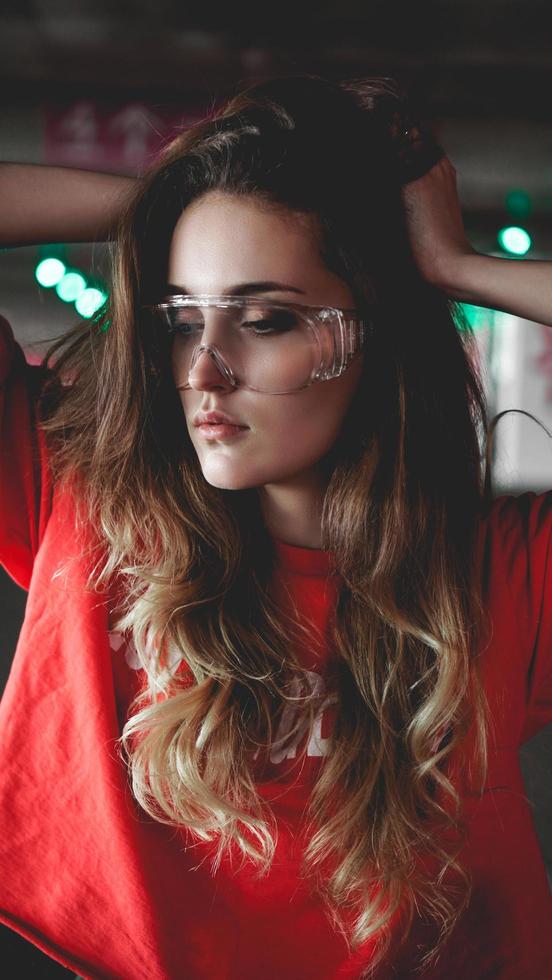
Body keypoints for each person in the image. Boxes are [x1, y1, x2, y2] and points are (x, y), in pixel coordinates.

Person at [0, 73, 551, 980]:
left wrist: (454, 267)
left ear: (374, 336)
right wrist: (169, 209)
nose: (205, 372)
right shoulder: (81, 493)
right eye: (183, 320)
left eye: (264, 320)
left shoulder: (500, 577)